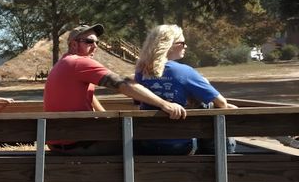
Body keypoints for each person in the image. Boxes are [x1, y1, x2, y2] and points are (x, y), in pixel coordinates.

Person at [43, 23, 187, 155]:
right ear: (74, 44)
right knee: (147, 142)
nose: (95, 46)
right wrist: (164, 104)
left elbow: (88, 96)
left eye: (97, 42)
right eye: (89, 42)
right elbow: (122, 84)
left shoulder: (63, 63)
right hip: (78, 144)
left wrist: (105, 117)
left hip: (60, 141)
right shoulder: (79, 62)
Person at [134, 24, 237, 155]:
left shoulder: (140, 72)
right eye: (182, 43)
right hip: (181, 145)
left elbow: (138, 102)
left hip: (147, 144)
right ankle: (223, 163)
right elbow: (221, 103)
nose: (186, 46)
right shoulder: (184, 71)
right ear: (170, 45)